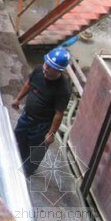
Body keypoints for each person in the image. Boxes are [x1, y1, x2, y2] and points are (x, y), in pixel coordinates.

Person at [12, 47, 72, 176]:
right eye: (46, 64)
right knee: (19, 138)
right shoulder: (39, 70)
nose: (46, 68)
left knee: (37, 150)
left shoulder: (63, 89)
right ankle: (19, 159)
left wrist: (51, 133)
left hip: (42, 125)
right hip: (26, 117)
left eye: (51, 67)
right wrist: (18, 99)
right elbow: (29, 83)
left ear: (59, 71)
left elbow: (59, 113)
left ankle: (28, 169)